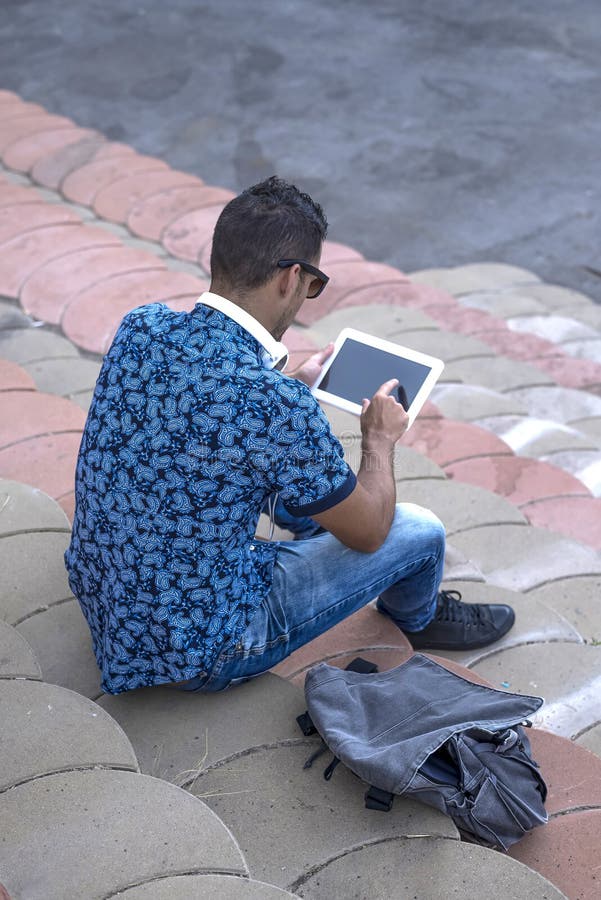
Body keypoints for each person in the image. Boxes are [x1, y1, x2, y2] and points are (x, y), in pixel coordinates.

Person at [64, 176, 514, 695]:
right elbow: (370, 532)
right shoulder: (273, 406)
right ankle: (416, 616)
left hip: (106, 600)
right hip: (201, 649)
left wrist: (285, 386)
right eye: (313, 285)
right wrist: (379, 440)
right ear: (291, 277)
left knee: (276, 472)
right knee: (418, 530)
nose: (306, 297)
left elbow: (206, 411)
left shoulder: (141, 325)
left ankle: (327, 526)